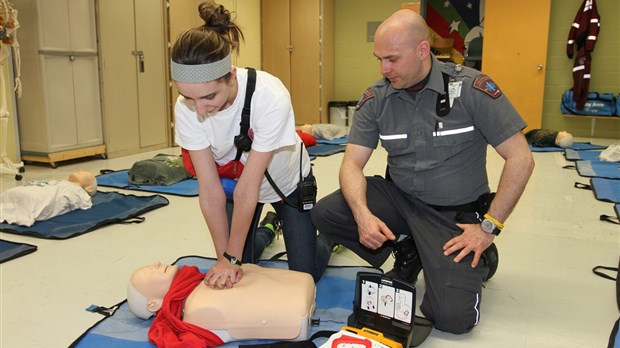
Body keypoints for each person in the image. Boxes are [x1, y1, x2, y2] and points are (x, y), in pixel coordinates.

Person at [310, 9, 534, 335]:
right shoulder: (377, 99)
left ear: (422, 50)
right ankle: (408, 247)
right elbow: (351, 164)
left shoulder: (472, 89)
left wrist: (489, 227)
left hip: (454, 218)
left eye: (392, 59)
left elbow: (521, 159)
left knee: (453, 319)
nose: (384, 69)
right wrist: (362, 215)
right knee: (328, 212)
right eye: (379, 59)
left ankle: (480, 254)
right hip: (401, 202)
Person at [170, 1, 332, 288]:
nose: (199, 109)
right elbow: (209, 190)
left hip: (285, 184)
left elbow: (249, 186)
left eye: (209, 97)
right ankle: (268, 229)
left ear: (231, 75)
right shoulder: (187, 108)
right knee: (238, 264)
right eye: (188, 98)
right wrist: (226, 258)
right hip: (238, 188)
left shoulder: (269, 96)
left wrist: (231, 259)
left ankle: (327, 236)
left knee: (305, 275)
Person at [126, 262, 316, 346]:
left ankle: (266, 230)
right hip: (296, 305)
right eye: (149, 272)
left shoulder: (199, 281)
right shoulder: (196, 309)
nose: (156, 264)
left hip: (299, 292)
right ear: (153, 305)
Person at [0, 170, 97, 226]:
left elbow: (86, 203)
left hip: (32, 198)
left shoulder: (77, 189)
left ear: (89, 187)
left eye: (85, 173)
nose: (80, 170)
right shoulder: (61, 182)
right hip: (22, 191)